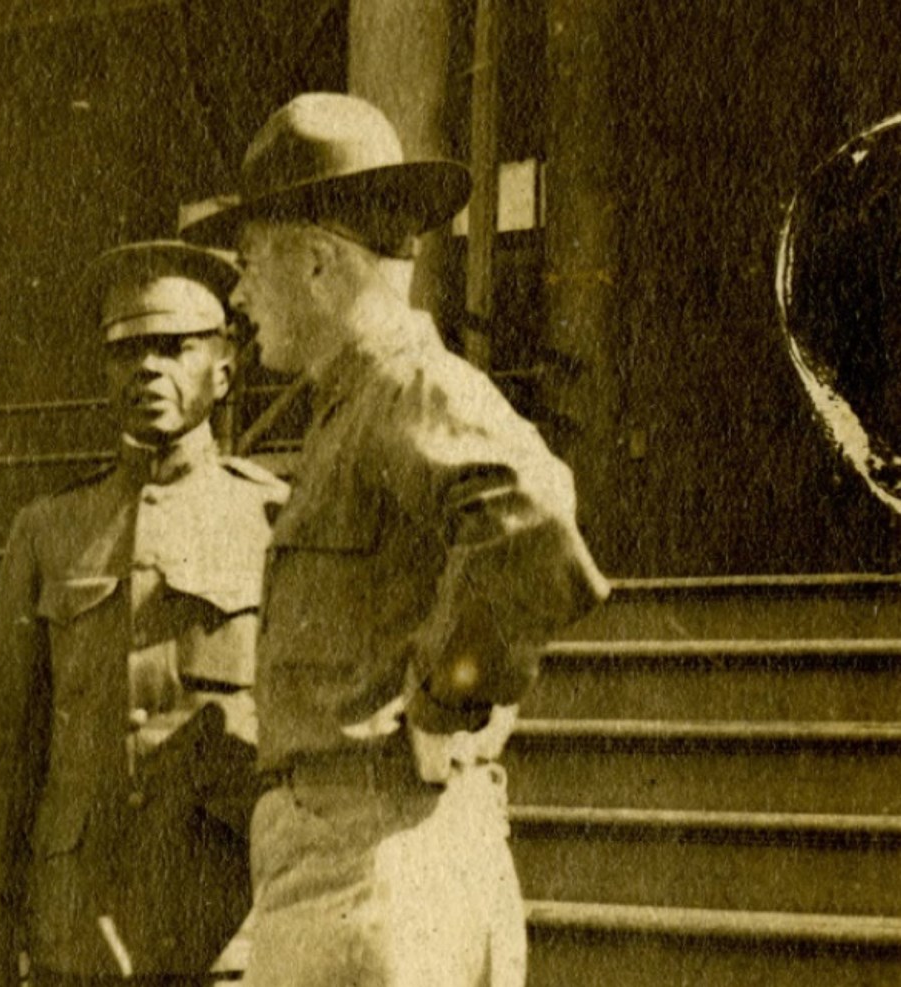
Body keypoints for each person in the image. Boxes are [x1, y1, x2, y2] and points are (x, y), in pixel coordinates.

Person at [183, 92, 609, 987]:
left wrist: (447, 698)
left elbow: (531, 519)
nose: (238, 291)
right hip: (346, 858)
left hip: (384, 862)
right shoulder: (355, 405)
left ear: (316, 264)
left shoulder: (407, 386)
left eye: (251, 258)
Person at [0, 240, 289, 987]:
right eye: (126, 350)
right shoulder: (47, 530)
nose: (147, 368)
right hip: (76, 929)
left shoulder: (274, 519)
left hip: (226, 921)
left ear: (226, 368)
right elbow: (3, 755)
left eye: (174, 347)